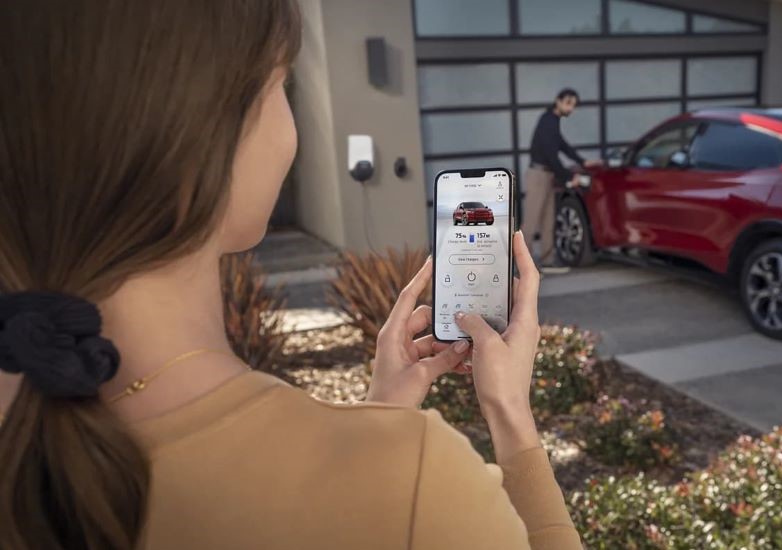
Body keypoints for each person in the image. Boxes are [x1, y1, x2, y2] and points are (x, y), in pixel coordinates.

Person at [0, 2, 582, 549]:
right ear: (205, 137)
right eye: (283, 83)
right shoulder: (417, 485)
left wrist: (380, 417)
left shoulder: (24, 429)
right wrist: (508, 414)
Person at [523, 88, 603, 268]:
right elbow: (551, 155)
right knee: (531, 222)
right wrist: (569, 177)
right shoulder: (547, 121)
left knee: (548, 220)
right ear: (558, 101)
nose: (570, 109)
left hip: (547, 175)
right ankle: (523, 266)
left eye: (573, 105)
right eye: (568, 103)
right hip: (538, 175)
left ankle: (547, 261)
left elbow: (563, 146)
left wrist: (583, 161)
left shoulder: (553, 121)